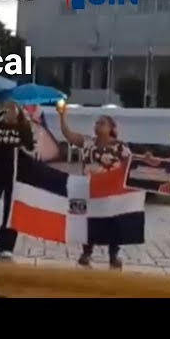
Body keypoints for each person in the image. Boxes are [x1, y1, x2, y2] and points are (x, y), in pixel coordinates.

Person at [59, 108, 129, 270]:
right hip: (89, 190)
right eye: (96, 123)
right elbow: (68, 134)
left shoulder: (121, 147)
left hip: (112, 192)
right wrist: (62, 116)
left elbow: (133, 165)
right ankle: (86, 253)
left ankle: (113, 256)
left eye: (102, 123)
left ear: (111, 128)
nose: (97, 125)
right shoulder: (88, 142)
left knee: (114, 223)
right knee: (89, 222)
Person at [0, 101, 35, 261]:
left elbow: (30, 148)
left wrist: (21, 147)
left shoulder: (23, 128)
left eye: (13, 110)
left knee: (10, 211)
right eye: (7, 110)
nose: (9, 112)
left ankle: (6, 246)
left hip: (15, 175)